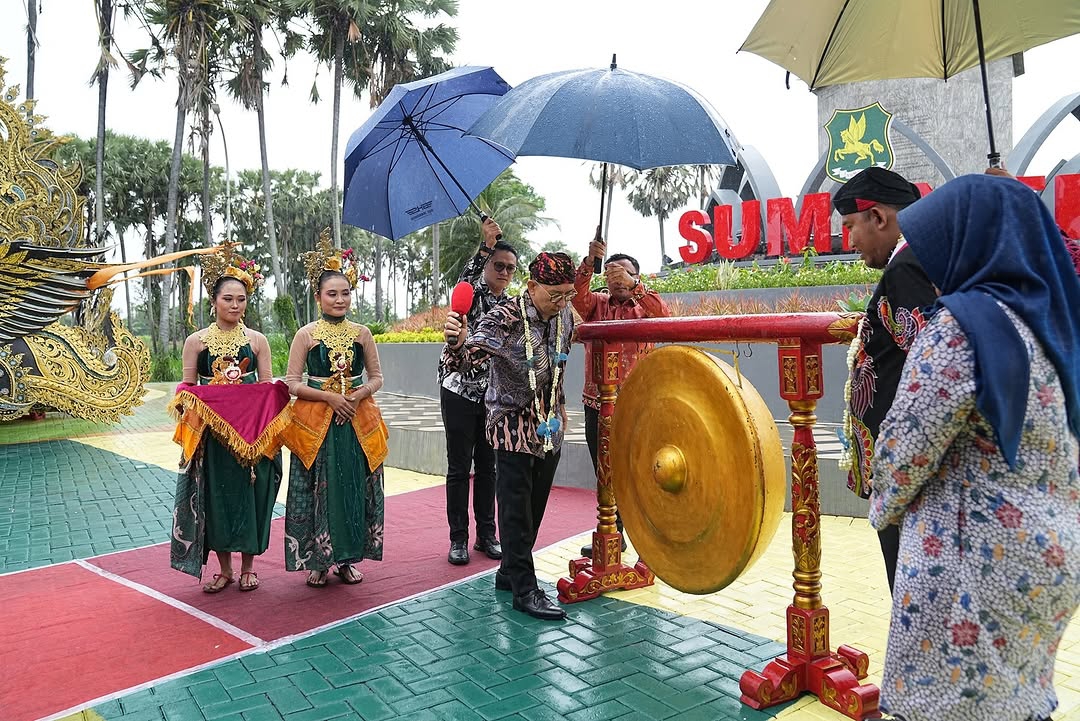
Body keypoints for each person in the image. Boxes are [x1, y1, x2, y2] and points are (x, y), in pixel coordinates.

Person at [869, 174, 1080, 721]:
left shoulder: (962, 327)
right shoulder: (1050, 321)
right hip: (1048, 557)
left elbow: (902, 454)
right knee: (1018, 701)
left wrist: (883, 511)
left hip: (972, 567)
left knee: (953, 705)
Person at [443, 252, 576, 621]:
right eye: (554, 294)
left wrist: (560, 405)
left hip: (548, 421)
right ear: (532, 287)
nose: (562, 302)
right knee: (515, 507)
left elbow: (559, 360)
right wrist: (457, 341)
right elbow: (466, 356)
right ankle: (525, 590)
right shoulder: (504, 317)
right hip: (510, 420)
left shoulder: (565, 314)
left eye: (567, 294)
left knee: (535, 505)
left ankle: (508, 572)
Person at [833, 167, 937, 595]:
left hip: (905, 470)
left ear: (877, 217)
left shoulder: (907, 268)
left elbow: (929, 367)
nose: (850, 242)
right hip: (907, 467)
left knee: (911, 587)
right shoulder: (923, 257)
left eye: (850, 226)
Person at [169, 248, 284, 593]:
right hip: (214, 440)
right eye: (228, 299)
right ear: (214, 301)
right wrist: (183, 404)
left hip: (253, 437)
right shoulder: (196, 342)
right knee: (216, 499)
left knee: (252, 496)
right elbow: (187, 387)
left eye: (241, 299)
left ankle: (249, 566)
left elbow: (266, 388)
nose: (235, 305)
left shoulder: (257, 341)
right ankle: (224, 569)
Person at [282, 234, 388, 588]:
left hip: (357, 424)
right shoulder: (306, 335)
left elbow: (377, 378)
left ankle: (347, 560)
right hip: (318, 427)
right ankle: (317, 561)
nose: (340, 299)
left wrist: (357, 396)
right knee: (319, 489)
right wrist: (329, 398)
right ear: (318, 297)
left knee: (353, 489)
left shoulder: (362, 334)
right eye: (332, 293)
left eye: (345, 293)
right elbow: (292, 383)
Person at [571, 236, 670, 557]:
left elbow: (666, 319)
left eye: (624, 274)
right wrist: (590, 261)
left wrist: (635, 286)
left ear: (636, 277)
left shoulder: (647, 304)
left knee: (638, 471)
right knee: (605, 470)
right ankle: (612, 532)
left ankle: (645, 536)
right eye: (612, 273)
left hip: (637, 405)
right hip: (595, 404)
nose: (617, 279)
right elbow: (576, 293)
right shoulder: (596, 304)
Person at [438, 218, 510, 566]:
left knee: (489, 467)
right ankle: (458, 539)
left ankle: (487, 535)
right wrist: (485, 245)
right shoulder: (469, 293)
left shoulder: (510, 306)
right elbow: (466, 280)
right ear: (487, 266)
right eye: (499, 265)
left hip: (491, 396)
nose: (505, 272)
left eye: (510, 268)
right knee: (458, 468)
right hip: (458, 390)